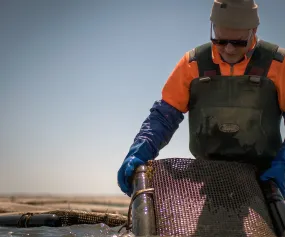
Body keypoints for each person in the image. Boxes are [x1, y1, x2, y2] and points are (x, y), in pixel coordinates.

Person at [117, 0, 285, 198]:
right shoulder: (192, 64)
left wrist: (280, 170)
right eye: (220, 40)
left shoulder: (278, 64)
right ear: (212, 28)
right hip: (206, 177)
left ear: (254, 30)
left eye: (238, 42)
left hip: (267, 179)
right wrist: (140, 151)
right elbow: (163, 117)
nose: (229, 49)